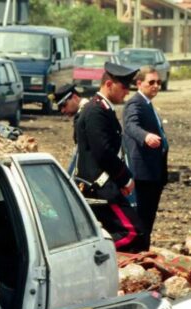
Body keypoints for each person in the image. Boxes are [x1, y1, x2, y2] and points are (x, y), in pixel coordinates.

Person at [73, 62, 147, 253]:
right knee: (133, 233)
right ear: (108, 84)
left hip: (106, 184)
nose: (126, 92)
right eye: (123, 87)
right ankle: (93, 255)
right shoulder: (95, 111)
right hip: (98, 186)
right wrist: (125, 178)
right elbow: (103, 152)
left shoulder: (103, 109)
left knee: (128, 232)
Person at [122, 66, 168, 250]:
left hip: (154, 173)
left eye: (158, 82)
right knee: (141, 220)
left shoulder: (148, 104)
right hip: (142, 174)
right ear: (139, 83)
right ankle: (138, 254)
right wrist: (145, 136)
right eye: (151, 82)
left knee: (148, 220)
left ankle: (143, 252)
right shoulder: (135, 103)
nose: (156, 86)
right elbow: (131, 125)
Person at [52, 83, 83, 174]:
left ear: (75, 97)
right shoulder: (81, 114)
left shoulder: (86, 114)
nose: (62, 110)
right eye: (60, 108)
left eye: (64, 105)